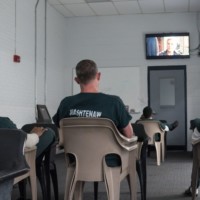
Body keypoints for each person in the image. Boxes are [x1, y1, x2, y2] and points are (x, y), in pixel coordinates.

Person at [53, 59, 134, 166]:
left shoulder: (66, 103)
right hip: (108, 161)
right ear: (98, 76)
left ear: (77, 80)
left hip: (77, 160)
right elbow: (129, 134)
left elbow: (60, 131)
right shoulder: (114, 102)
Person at [184, 118, 200, 197]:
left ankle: (194, 189)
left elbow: (194, 143)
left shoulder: (196, 131)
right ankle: (193, 188)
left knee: (196, 169)